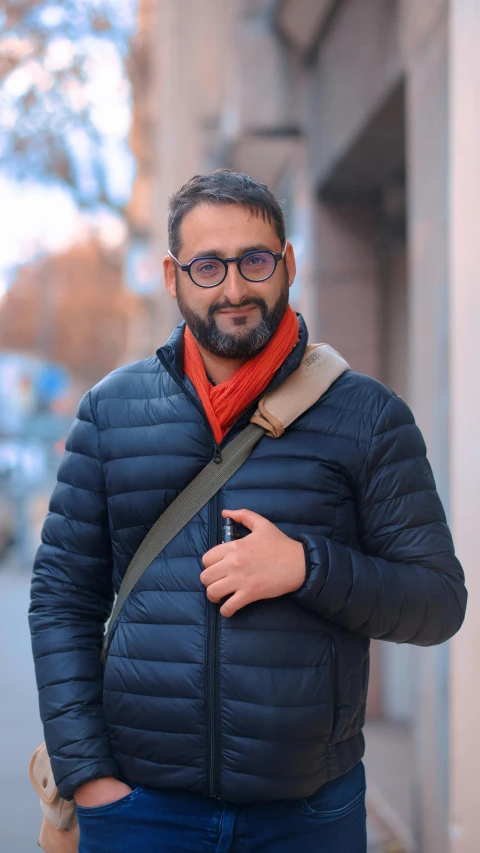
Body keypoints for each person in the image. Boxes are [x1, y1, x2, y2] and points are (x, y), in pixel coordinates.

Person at [29, 170, 467, 853]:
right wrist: (88, 777)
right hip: (141, 810)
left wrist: (306, 565)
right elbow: (61, 598)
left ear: (287, 264)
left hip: (308, 815)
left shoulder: (368, 416)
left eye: (254, 261)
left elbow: (439, 601)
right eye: (208, 267)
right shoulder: (110, 413)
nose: (233, 289)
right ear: (174, 279)